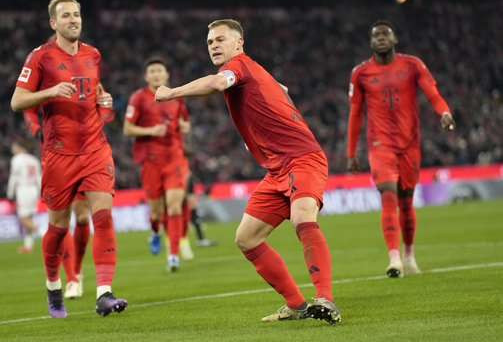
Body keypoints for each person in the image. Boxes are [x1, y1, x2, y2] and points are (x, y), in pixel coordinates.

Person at [155, 19, 340, 325]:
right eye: (210, 41)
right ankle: (296, 305)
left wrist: (171, 92)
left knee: (303, 217)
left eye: (220, 39)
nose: (213, 45)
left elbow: (216, 84)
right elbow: (282, 89)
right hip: (277, 167)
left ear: (238, 43)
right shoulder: (251, 70)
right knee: (247, 238)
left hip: (301, 159)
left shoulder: (237, 67)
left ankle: (326, 300)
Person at [10, 0, 127, 318]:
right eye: (66, 16)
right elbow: (17, 101)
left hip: (94, 149)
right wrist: (49, 92)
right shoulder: (40, 58)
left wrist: (105, 107)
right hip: (59, 155)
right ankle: (53, 284)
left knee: (102, 215)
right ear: (53, 23)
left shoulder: (93, 55)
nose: (73, 19)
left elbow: (94, 95)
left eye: (76, 14)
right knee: (59, 226)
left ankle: (104, 292)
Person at [346, 20, 455, 278]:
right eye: (376, 35)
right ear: (371, 42)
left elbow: (433, 93)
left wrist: (444, 112)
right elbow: (355, 114)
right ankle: (393, 258)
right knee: (388, 195)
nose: (381, 38)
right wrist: (351, 152)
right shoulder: (360, 73)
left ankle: (409, 256)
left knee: (406, 203)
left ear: (394, 40)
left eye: (386, 34)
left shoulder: (412, 65)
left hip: (409, 145)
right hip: (379, 144)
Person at [124, 58, 195, 271]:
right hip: (151, 162)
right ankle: (155, 231)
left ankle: (173, 255)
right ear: (147, 77)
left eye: (159, 71)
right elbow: (127, 129)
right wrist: (150, 131)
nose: (156, 74)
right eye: (152, 71)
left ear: (166, 75)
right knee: (157, 212)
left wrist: (184, 126)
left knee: (174, 206)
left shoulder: (177, 97)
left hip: (175, 158)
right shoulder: (139, 98)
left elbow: (186, 123)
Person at [24, 108, 92, 299]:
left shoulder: (82, 79)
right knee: (60, 223)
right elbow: (27, 109)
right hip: (55, 158)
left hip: (83, 155)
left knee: (83, 217)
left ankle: (77, 271)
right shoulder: (43, 82)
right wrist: (37, 129)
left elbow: (99, 104)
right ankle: (72, 279)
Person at [6, 140, 42, 254]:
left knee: (23, 218)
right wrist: (41, 191)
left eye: (14, 146)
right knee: (29, 218)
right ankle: (28, 246)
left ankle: (42, 232)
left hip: (23, 189)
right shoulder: (34, 159)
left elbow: (14, 177)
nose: (13, 149)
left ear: (19, 147)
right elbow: (39, 178)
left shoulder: (16, 159)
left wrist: (10, 194)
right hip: (34, 190)